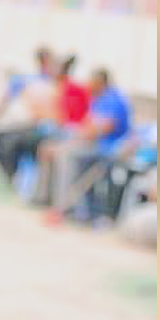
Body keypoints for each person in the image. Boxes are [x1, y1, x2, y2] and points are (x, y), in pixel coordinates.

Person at [43, 67, 133, 220]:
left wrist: (70, 142)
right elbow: (87, 125)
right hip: (93, 145)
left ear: (100, 83)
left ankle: (63, 207)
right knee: (49, 147)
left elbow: (100, 130)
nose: (88, 86)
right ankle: (51, 200)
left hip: (109, 150)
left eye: (91, 83)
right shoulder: (98, 98)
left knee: (66, 155)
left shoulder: (114, 100)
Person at [0, 46, 57, 180]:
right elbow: (6, 101)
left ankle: (10, 178)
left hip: (40, 129)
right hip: (23, 126)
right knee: (0, 140)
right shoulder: (27, 80)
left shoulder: (56, 85)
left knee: (12, 143)